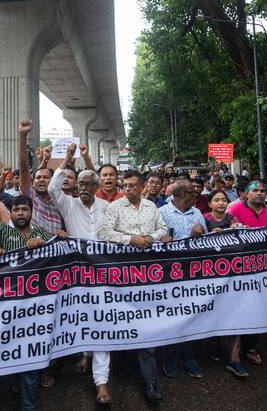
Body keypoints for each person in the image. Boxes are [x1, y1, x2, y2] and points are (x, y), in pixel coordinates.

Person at [0, 184, 56, 411]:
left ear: (31, 213)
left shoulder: (42, 234)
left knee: (30, 355)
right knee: (7, 351)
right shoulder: (1, 230)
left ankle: (29, 404)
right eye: (16, 210)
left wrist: (50, 242)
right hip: (6, 305)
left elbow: (61, 253)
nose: (20, 213)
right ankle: (10, 386)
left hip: (35, 305)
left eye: (24, 210)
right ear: (11, 212)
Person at [47, 144, 111, 403]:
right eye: (80, 184)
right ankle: (84, 354)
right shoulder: (68, 204)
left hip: (105, 272)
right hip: (76, 273)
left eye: (88, 184)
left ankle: (102, 383)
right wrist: (66, 162)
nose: (83, 188)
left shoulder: (107, 205)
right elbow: (52, 188)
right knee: (81, 317)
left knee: (103, 323)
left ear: (96, 188)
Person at [98, 170, 168, 402]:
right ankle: (125, 364)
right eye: (125, 186)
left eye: (132, 186)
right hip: (122, 275)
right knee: (124, 320)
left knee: (146, 324)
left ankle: (150, 384)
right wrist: (130, 240)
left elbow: (163, 229)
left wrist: (150, 238)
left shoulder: (151, 207)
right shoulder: (115, 207)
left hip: (149, 276)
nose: (127, 189)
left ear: (142, 186)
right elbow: (104, 233)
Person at [159, 180, 207, 380]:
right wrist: (161, 238)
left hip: (193, 273)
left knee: (193, 314)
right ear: (181, 194)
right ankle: (171, 355)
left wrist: (200, 232)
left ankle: (188, 357)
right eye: (191, 191)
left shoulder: (196, 213)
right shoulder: (161, 212)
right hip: (170, 274)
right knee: (173, 315)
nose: (196, 193)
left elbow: (207, 239)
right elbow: (154, 239)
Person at [226, 180, 267, 365]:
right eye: (255, 190)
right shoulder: (234, 209)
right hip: (238, 270)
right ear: (245, 194)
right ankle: (232, 352)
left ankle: (252, 346)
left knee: (258, 308)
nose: (260, 193)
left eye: (263, 190)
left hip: (262, 269)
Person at [201, 190, 248, 377]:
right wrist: (209, 234)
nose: (220, 203)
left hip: (231, 274)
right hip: (208, 275)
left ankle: (234, 359)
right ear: (210, 203)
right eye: (216, 200)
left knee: (233, 314)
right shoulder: (203, 220)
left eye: (223, 200)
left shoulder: (233, 220)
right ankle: (213, 347)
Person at [18, 120, 65, 233]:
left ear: (53, 181)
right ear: (33, 182)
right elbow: (24, 168)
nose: (41, 180)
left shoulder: (60, 202)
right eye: (38, 178)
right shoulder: (30, 197)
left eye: (46, 177)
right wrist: (23, 135)